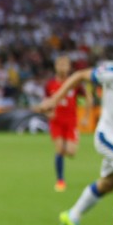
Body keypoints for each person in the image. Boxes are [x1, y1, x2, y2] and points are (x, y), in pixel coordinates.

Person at [37, 39, 113, 225]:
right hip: (109, 136)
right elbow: (80, 76)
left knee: (108, 184)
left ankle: (72, 216)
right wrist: (54, 101)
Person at [42, 55, 87, 192]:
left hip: (71, 122)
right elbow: (46, 103)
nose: (62, 67)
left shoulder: (75, 83)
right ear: (55, 66)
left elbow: (87, 98)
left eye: (64, 65)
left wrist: (86, 115)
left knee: (71, 152)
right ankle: (60, 180)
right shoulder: (50, 84)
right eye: (59, 64)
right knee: (60, 149)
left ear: (69, 67)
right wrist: (48, 113)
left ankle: (74, 138)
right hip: (56, 122)